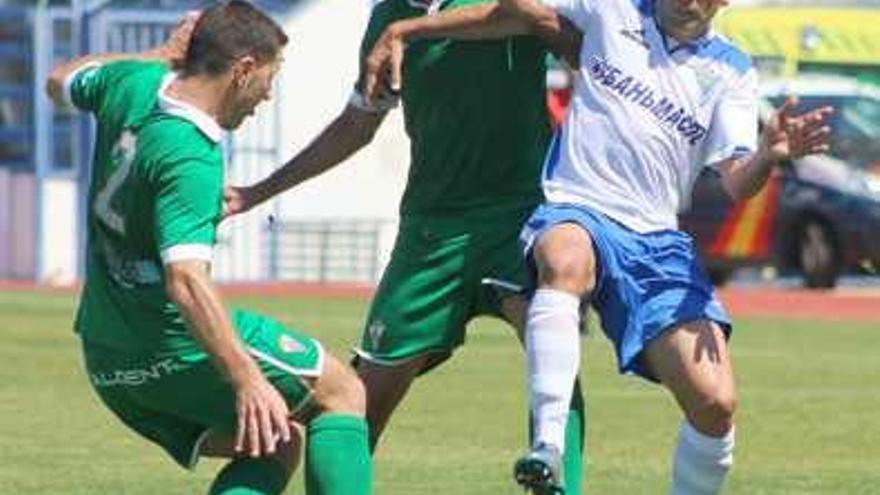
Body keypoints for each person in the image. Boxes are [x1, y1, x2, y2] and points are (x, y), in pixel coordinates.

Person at [362, 0, 832, 493]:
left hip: (655, 240)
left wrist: (769, 155)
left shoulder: (731, 68)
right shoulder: (611, 9)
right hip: (576, 206)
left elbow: (737, 182)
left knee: (716, 403)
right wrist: (409, 28)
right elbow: (520, 11)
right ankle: (547, 448)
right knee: (564, 262)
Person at [223, 0, 587, 492]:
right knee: (350, 405)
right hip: (430, 234)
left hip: (519, 217)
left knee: (552, 359)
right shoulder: (384, 18)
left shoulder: (501, 6)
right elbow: (357, 124)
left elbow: (568, 36)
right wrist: (255, 193)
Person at [46, 3, 372, 494]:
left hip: (108, 356)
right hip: (172, 345)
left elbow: (58, 81)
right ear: (242, 70)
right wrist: (245, 378)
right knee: (342, 392)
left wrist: (156, 54)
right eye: (270, 76)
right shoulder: (191, 154)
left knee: (275, 440)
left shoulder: (130, 83)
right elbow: (186, 281)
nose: (267, 95)